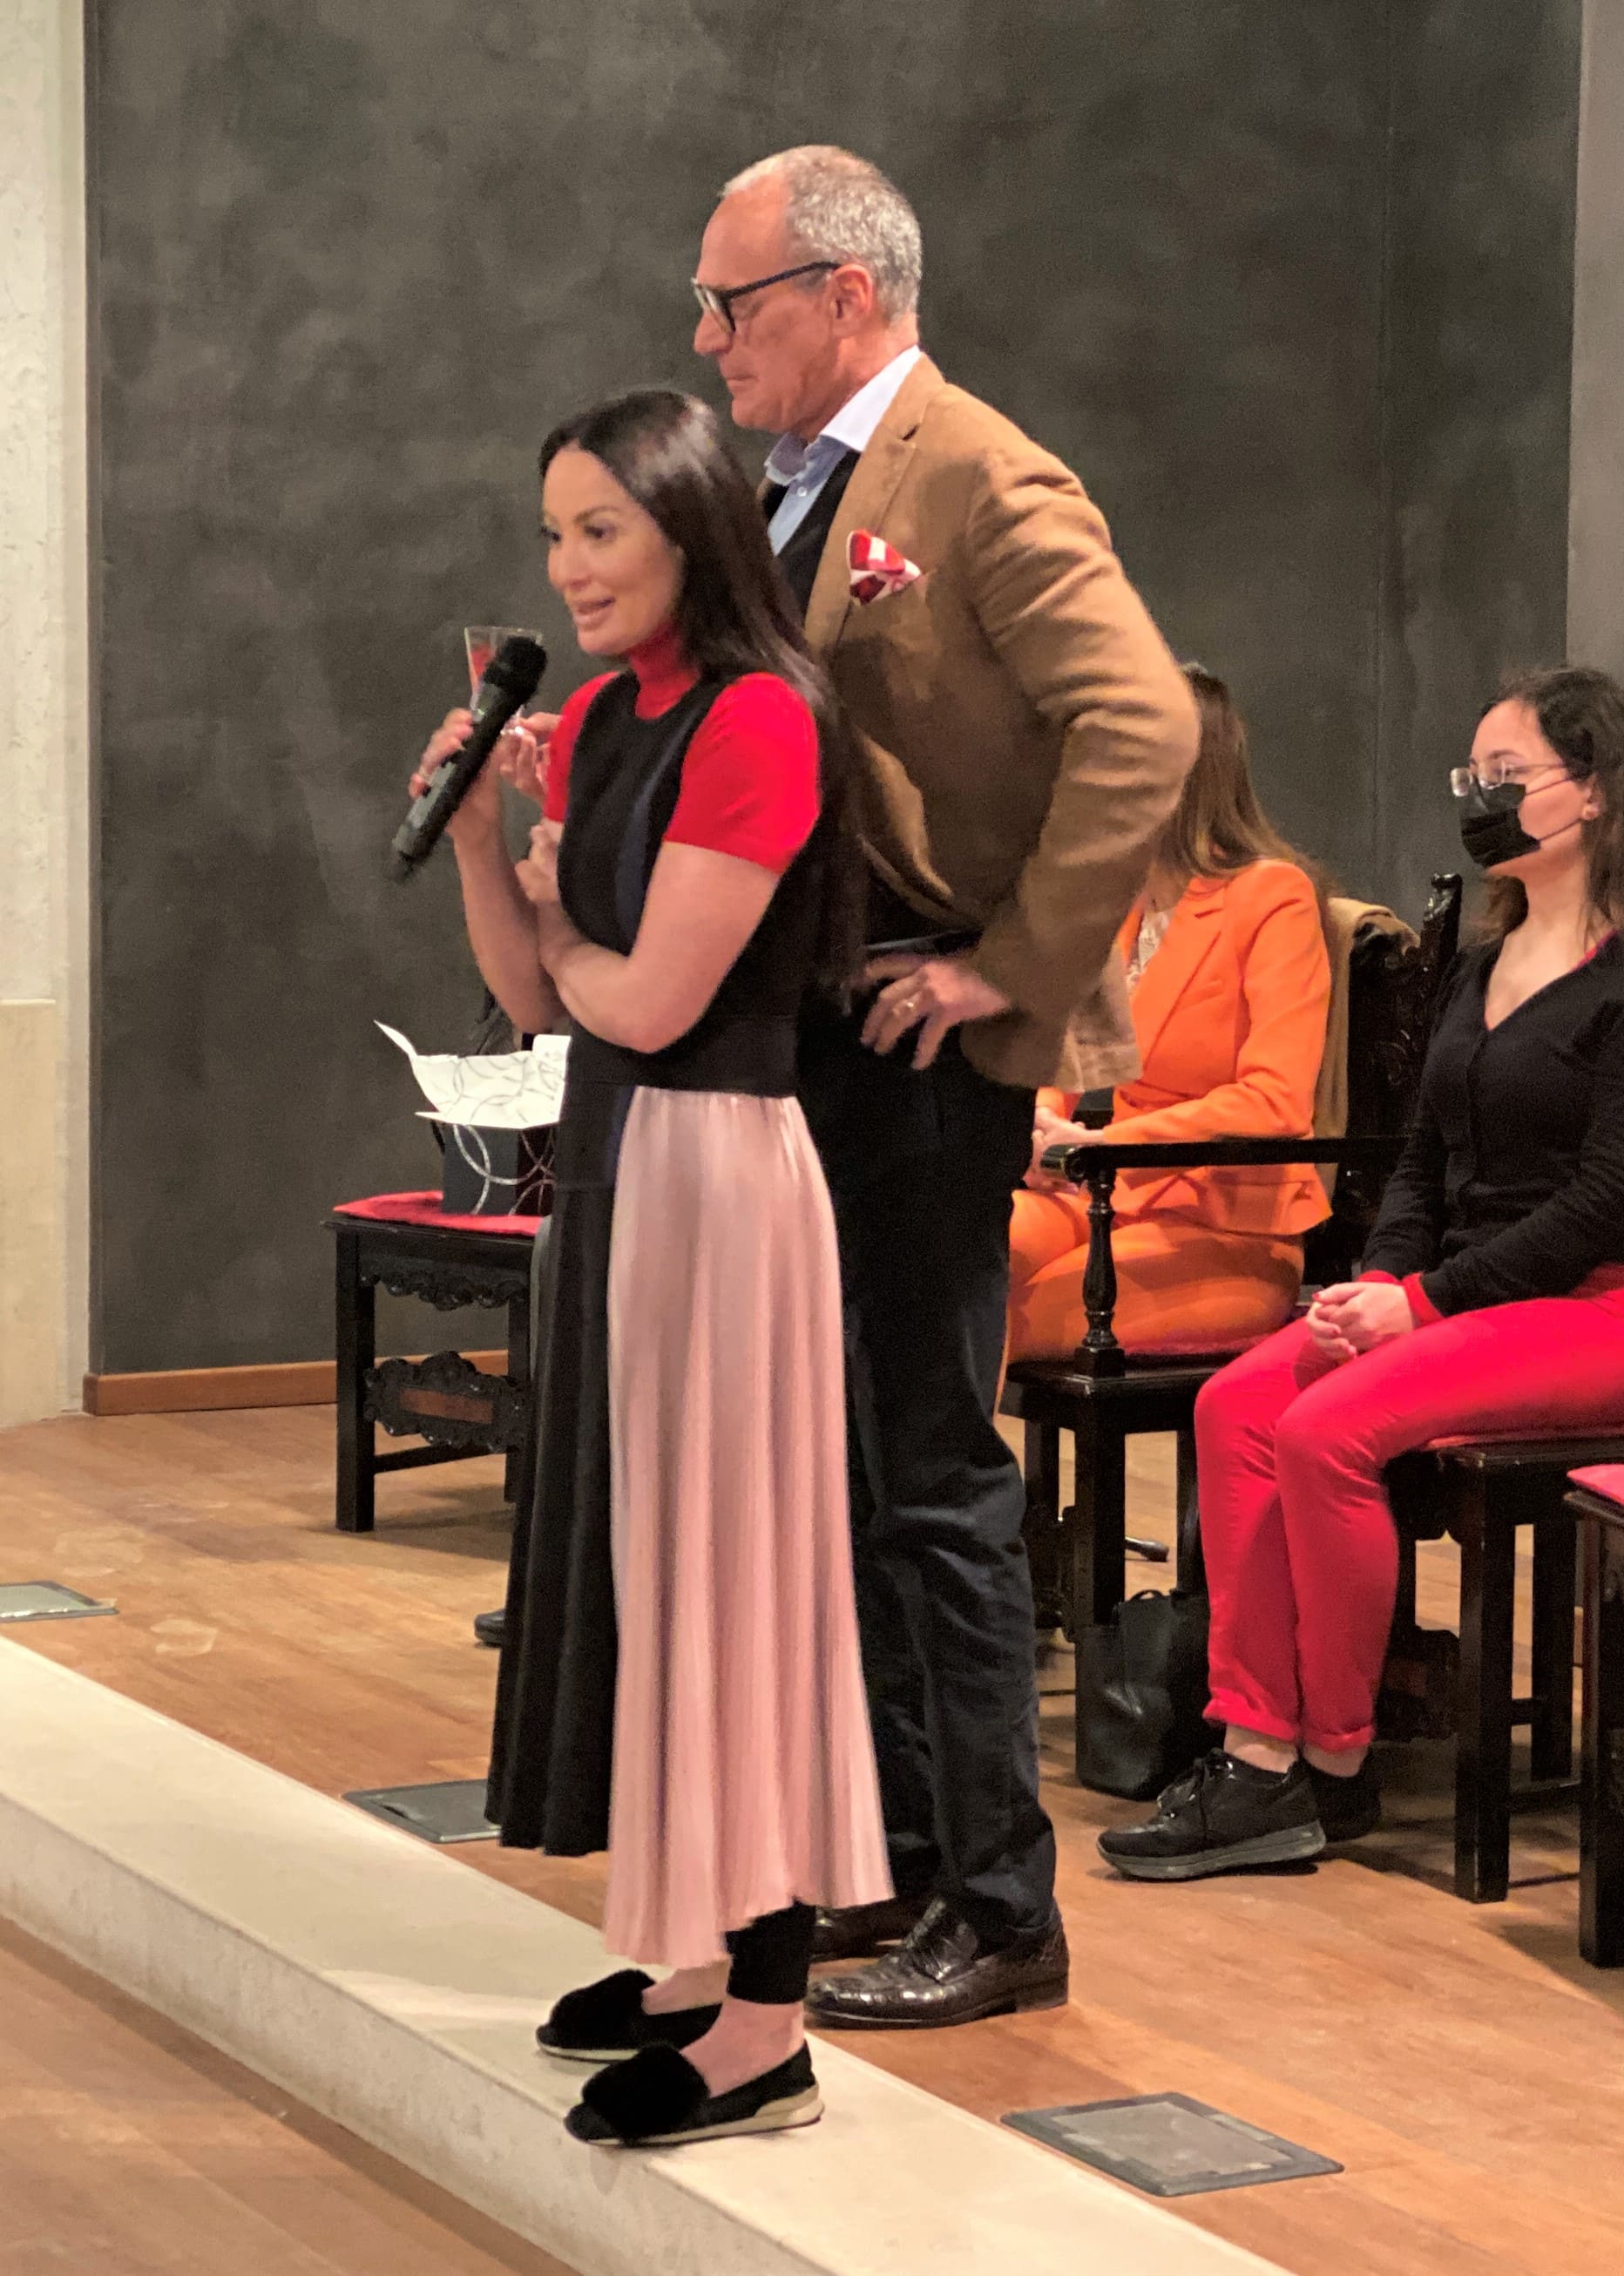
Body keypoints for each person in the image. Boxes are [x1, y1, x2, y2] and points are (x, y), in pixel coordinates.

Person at [691, 146, 1199, 2026]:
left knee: (932, 1472)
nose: (707, 338)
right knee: (851, 1479)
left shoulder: (977, 470)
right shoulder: (787, 488)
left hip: (925, 1046)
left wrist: (1009, 966)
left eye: (731, 301)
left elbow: (1141, 720)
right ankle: (906, 1858)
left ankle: (1001, 1903)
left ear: (845, 293)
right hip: (816, 1036)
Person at [413, 388, 890, 2146]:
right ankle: (696, 1956)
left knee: (735, 1583)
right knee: (650, 1569)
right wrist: (485, 837)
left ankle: (768, 2025)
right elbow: (541, 1000)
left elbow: (654, 997)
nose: (570, 566)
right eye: (555, 534)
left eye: (600, 530)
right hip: (622, 1163)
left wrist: (557, 922)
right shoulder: (611, 712)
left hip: (718, 1169)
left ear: (692, 530)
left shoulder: (764, 717)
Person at [1100, 666, 1624, 1881]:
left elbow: (1609, 1199)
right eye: (1470, 777)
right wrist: (1375, 1281)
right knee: (1234, 1403)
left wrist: (1422, 1301)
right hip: (1465, 1297)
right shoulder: (1483, 961)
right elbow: (1421, 1162)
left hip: (1620, 1306)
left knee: (1324, 1429)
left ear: (1594, 791)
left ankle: (1334, 1760)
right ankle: (1255, 1750)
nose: (1481, 798)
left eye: (1507, 776)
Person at [1009, 665, 1331, 1361]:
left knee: (999, 1319)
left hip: (1225, 1225)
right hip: (1101, 1196)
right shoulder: (1118, 905)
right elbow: (1064, 1058)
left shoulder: (1272, 896)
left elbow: (1274, 1101)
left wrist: (1102, 1146)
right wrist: (1038, 1127)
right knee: (940, 1274)